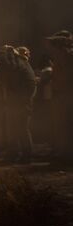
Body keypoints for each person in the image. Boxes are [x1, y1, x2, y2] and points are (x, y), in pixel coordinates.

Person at [0, 45, 36, 163]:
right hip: (16, 101)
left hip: (21, 102)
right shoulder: (18, 64)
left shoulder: (19, 63)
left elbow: (9, 69)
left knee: (21, 128)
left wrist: (3, 57)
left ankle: (25, 155)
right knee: (13, 129)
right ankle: (14, 154)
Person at [44, 30, 73, 159]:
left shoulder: (66, 56)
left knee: (64, 126)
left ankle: (66, 153)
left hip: (65, 94)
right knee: (60, 126)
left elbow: (66, 77)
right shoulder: (60, 57)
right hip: (60, 94)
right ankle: (61, 151)